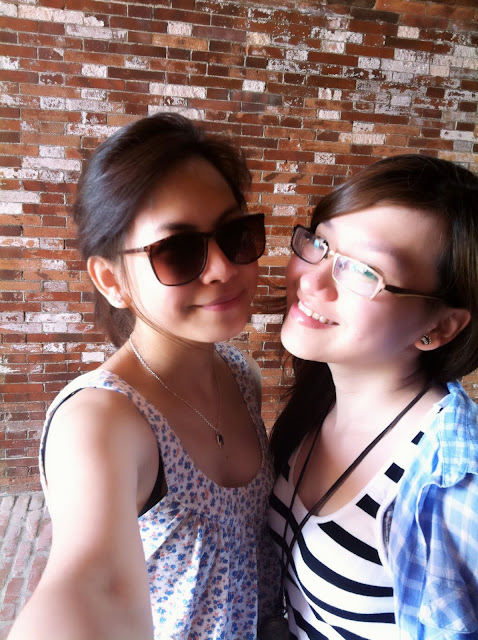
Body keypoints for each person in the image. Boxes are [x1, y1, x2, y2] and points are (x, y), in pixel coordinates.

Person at [8, 113, 275, 640]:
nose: (223, 268)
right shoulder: (101, 418)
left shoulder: (241, 376)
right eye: (178, 251)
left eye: (235, 235)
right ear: (112, 280)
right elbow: (90, 585)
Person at [267, 155, 478, 640]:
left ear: (439, 327)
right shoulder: (320, 400)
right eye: (320, 244)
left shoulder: (455, 487)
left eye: (364, 271)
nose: (311, 280)